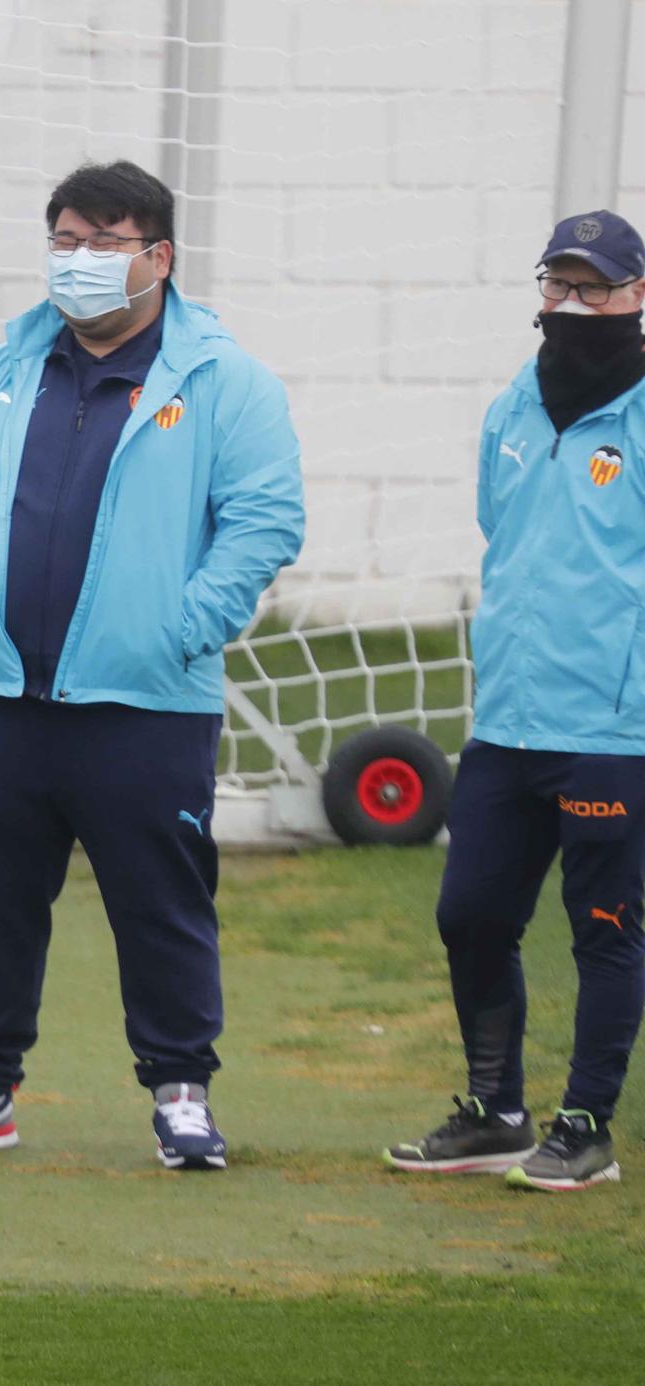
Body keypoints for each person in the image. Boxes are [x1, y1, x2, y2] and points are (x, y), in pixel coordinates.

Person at [0, 160, 304, 1170]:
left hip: (143, 703)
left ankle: (180, 1093)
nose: (78, 260)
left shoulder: (222, 379)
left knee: (158, 905)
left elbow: (262, 519)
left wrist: (182, 626)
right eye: (64, 239)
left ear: (157, 257)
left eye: (103, 242)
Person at [384, 211, 645, 1192]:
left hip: (610, 730)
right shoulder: (509, 407)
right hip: (505, 721)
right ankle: (495, 1110)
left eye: (596, 288)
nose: (573, 305)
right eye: (558, 286)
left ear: (635, 297)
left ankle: (585, 1125)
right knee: (469, 915)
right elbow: (504, 535)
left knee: (604, 931)